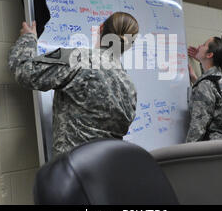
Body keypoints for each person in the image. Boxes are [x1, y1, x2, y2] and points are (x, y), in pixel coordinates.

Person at [8, 12, 139, 159]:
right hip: (107, 172)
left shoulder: (78, 60)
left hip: (72, 172)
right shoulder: (130, 88)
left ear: (101, 28)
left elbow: (24, 72)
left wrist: (28, 39)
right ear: (129, 45)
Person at [187, 37, 222, 141]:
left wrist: (185, 152)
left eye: (204, 45)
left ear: (209, 55)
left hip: (214, 147)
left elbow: (198, 126)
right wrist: (194, 78)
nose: (199, 46)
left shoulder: (206, 84)